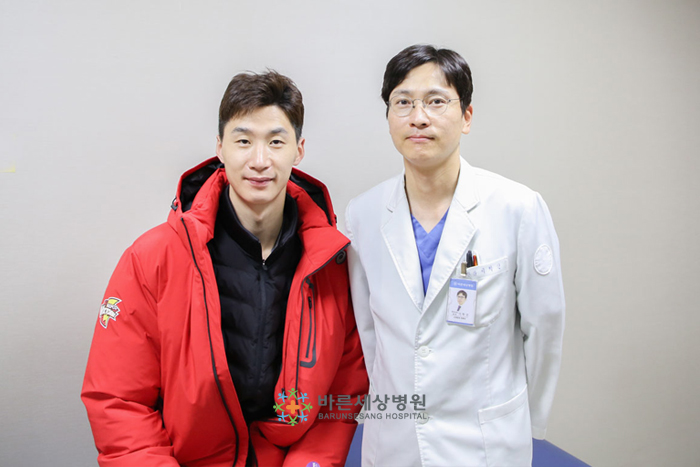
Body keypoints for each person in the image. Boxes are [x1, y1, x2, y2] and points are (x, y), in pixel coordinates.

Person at [82, 70, 368, 467]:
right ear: (220, 147)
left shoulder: (331, 263)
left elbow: (343, 390)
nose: (260, 161)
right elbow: (118, 399)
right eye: (243, 141)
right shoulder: (154, 258)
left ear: (298, 150)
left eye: (276, 142)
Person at [345, 45, 565, 466]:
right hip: (395, 443)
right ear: (389, 116)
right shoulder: (363, 214)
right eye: (403, 102)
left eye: (436, 101)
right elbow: (368, 335)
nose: (418, 117)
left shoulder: (517, 208)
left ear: (466, 116)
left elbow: (544, 328)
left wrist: (523, 420)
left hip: (485, 443)